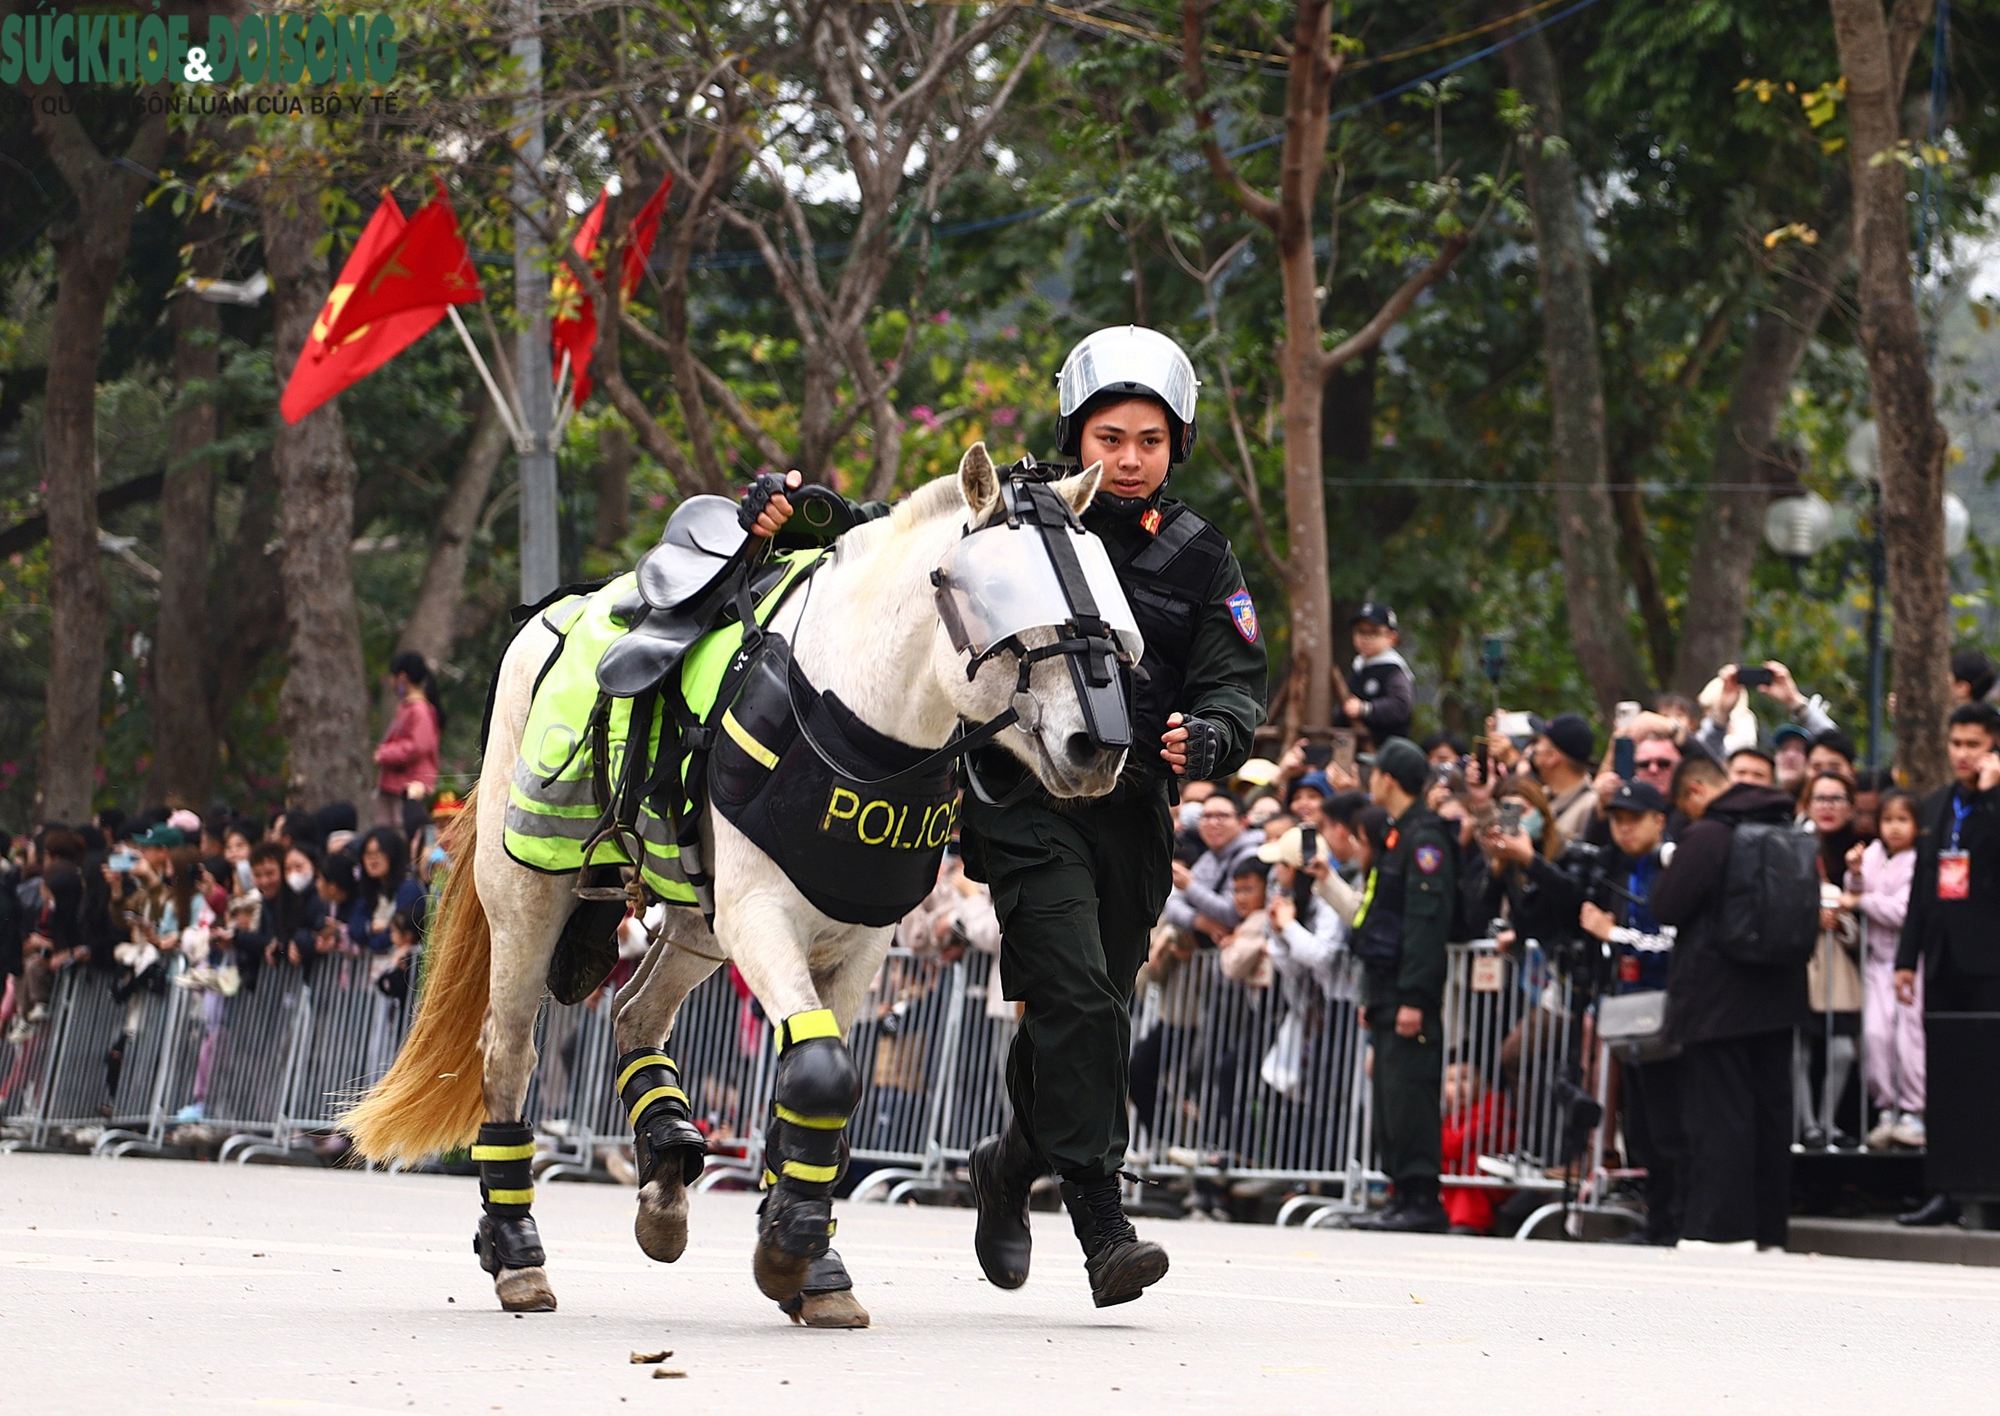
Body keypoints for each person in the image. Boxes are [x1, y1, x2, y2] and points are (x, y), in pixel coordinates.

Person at [750, 324, 1268, 1306]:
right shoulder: (1020, 513)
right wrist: (801, 513)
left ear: (1175, 446)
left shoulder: (1201, 555)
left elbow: (1236, 683)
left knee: (1092, 1013)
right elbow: (896, 537)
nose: (1126, 457)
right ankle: (1100, 1222)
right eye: (1108, 436)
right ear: (1076, 436)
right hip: (1018, 797)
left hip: (1129, 812)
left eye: (1148, 440)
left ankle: (1005, 1166)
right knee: (1073, 994)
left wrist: (1208, 736)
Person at [1649, 756, 1809, 1249]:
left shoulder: (1710, 834)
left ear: (1696, 790)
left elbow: (1668, 905)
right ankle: (1768, 1231)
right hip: (1779, 994)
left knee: (1719, 1116)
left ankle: (1721, 1230)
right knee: (1769, 1114)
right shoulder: (1785, 824)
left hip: (1717, 996)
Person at [1892, 702, 2000, 1228]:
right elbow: (1920, 890)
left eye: (1973, 744)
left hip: (1991, 961)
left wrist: (1991, 796)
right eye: (1956, 743)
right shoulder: (1935, 806)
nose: (1962, 754)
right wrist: (1905, 958)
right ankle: (1947, 1188)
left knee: (1991, 1073)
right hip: (1943, 960)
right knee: (1946, 1076)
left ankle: (1991, 1186)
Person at [1348, 737, 1458, 1234]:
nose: (1369, 779)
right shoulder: (1398, 835)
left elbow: (1425, 923)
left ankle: (1421, 1197)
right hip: (1387, 989)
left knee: (1411, 1092)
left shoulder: (1425, 837)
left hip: (1409, 993)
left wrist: (1415, 995)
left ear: (1388, 779)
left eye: (1374, 772)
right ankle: (1400, 1192)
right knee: (1392, 1094)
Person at [1579, 781, 1682, 1244]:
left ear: (1659, 820)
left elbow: (1670, 943)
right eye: (1617, 819)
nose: (1623, 828)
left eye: (1634, 818)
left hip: (1665, 1011)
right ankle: (1657, 1218)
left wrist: (1614, 933)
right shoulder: (1626, 869)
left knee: (1666, 1123)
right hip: (1632, 1012)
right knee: (1640, 1125)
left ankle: (1673, 1220)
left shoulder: (1669, 867)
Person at [1843, 790, 1923, 1151]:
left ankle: (1914, 1111)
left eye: (1902, 820)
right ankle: (1885, 1108)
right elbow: (1853, 892)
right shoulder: (1872, 854)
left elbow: (1903, 911)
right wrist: (1855, 874)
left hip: (1909, 962)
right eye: (1888, 820)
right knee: (1876, 1035)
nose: (1894, 828)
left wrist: (1862, 900)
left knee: (1909, 1039)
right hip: (1876, 960)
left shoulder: (1918, 861)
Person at [1796, 772, 1862, 1150]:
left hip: (1842, 968)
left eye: (1836, 798)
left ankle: (1830, 1121)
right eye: (1819, 798)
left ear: (1851, 806)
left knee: (1842, 1050)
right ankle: (1807, 1125)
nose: (1827, 806)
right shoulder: (1793, 844)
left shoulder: (1862, 849)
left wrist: (1842, 921)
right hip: (1802, 966)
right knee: (1798, 1052)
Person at [1161, 792, 1265, 949]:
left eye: (1222, 816)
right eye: (1206, 816)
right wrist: (1200, 921)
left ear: (1243, 821)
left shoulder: (1251, 855)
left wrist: (1190, 887)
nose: (1213, 823)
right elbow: (1172, 905)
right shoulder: (1209, 857)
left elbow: (1234, 913)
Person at [374, 650, 442, 830]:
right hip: (394, 786)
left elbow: (417, 746)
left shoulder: (419, 710)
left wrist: (384, 754)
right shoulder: (407, 707)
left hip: (408, 787)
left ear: (402, 677)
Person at [1333, 603, 1413, 748]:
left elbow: (1401, 706)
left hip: (1384, 748)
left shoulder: (1393, 669)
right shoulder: (1359, 666)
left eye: (1373, 632)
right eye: (1360, 632)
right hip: (1352, 744)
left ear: (1391, 638)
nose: (1365, 638)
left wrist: (1365, 709)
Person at [1531, 713, 1598, 842]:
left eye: (1539, 742)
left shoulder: (1590, 808)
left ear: (1553, 758)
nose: (1535, 748)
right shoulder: (1536, 797)